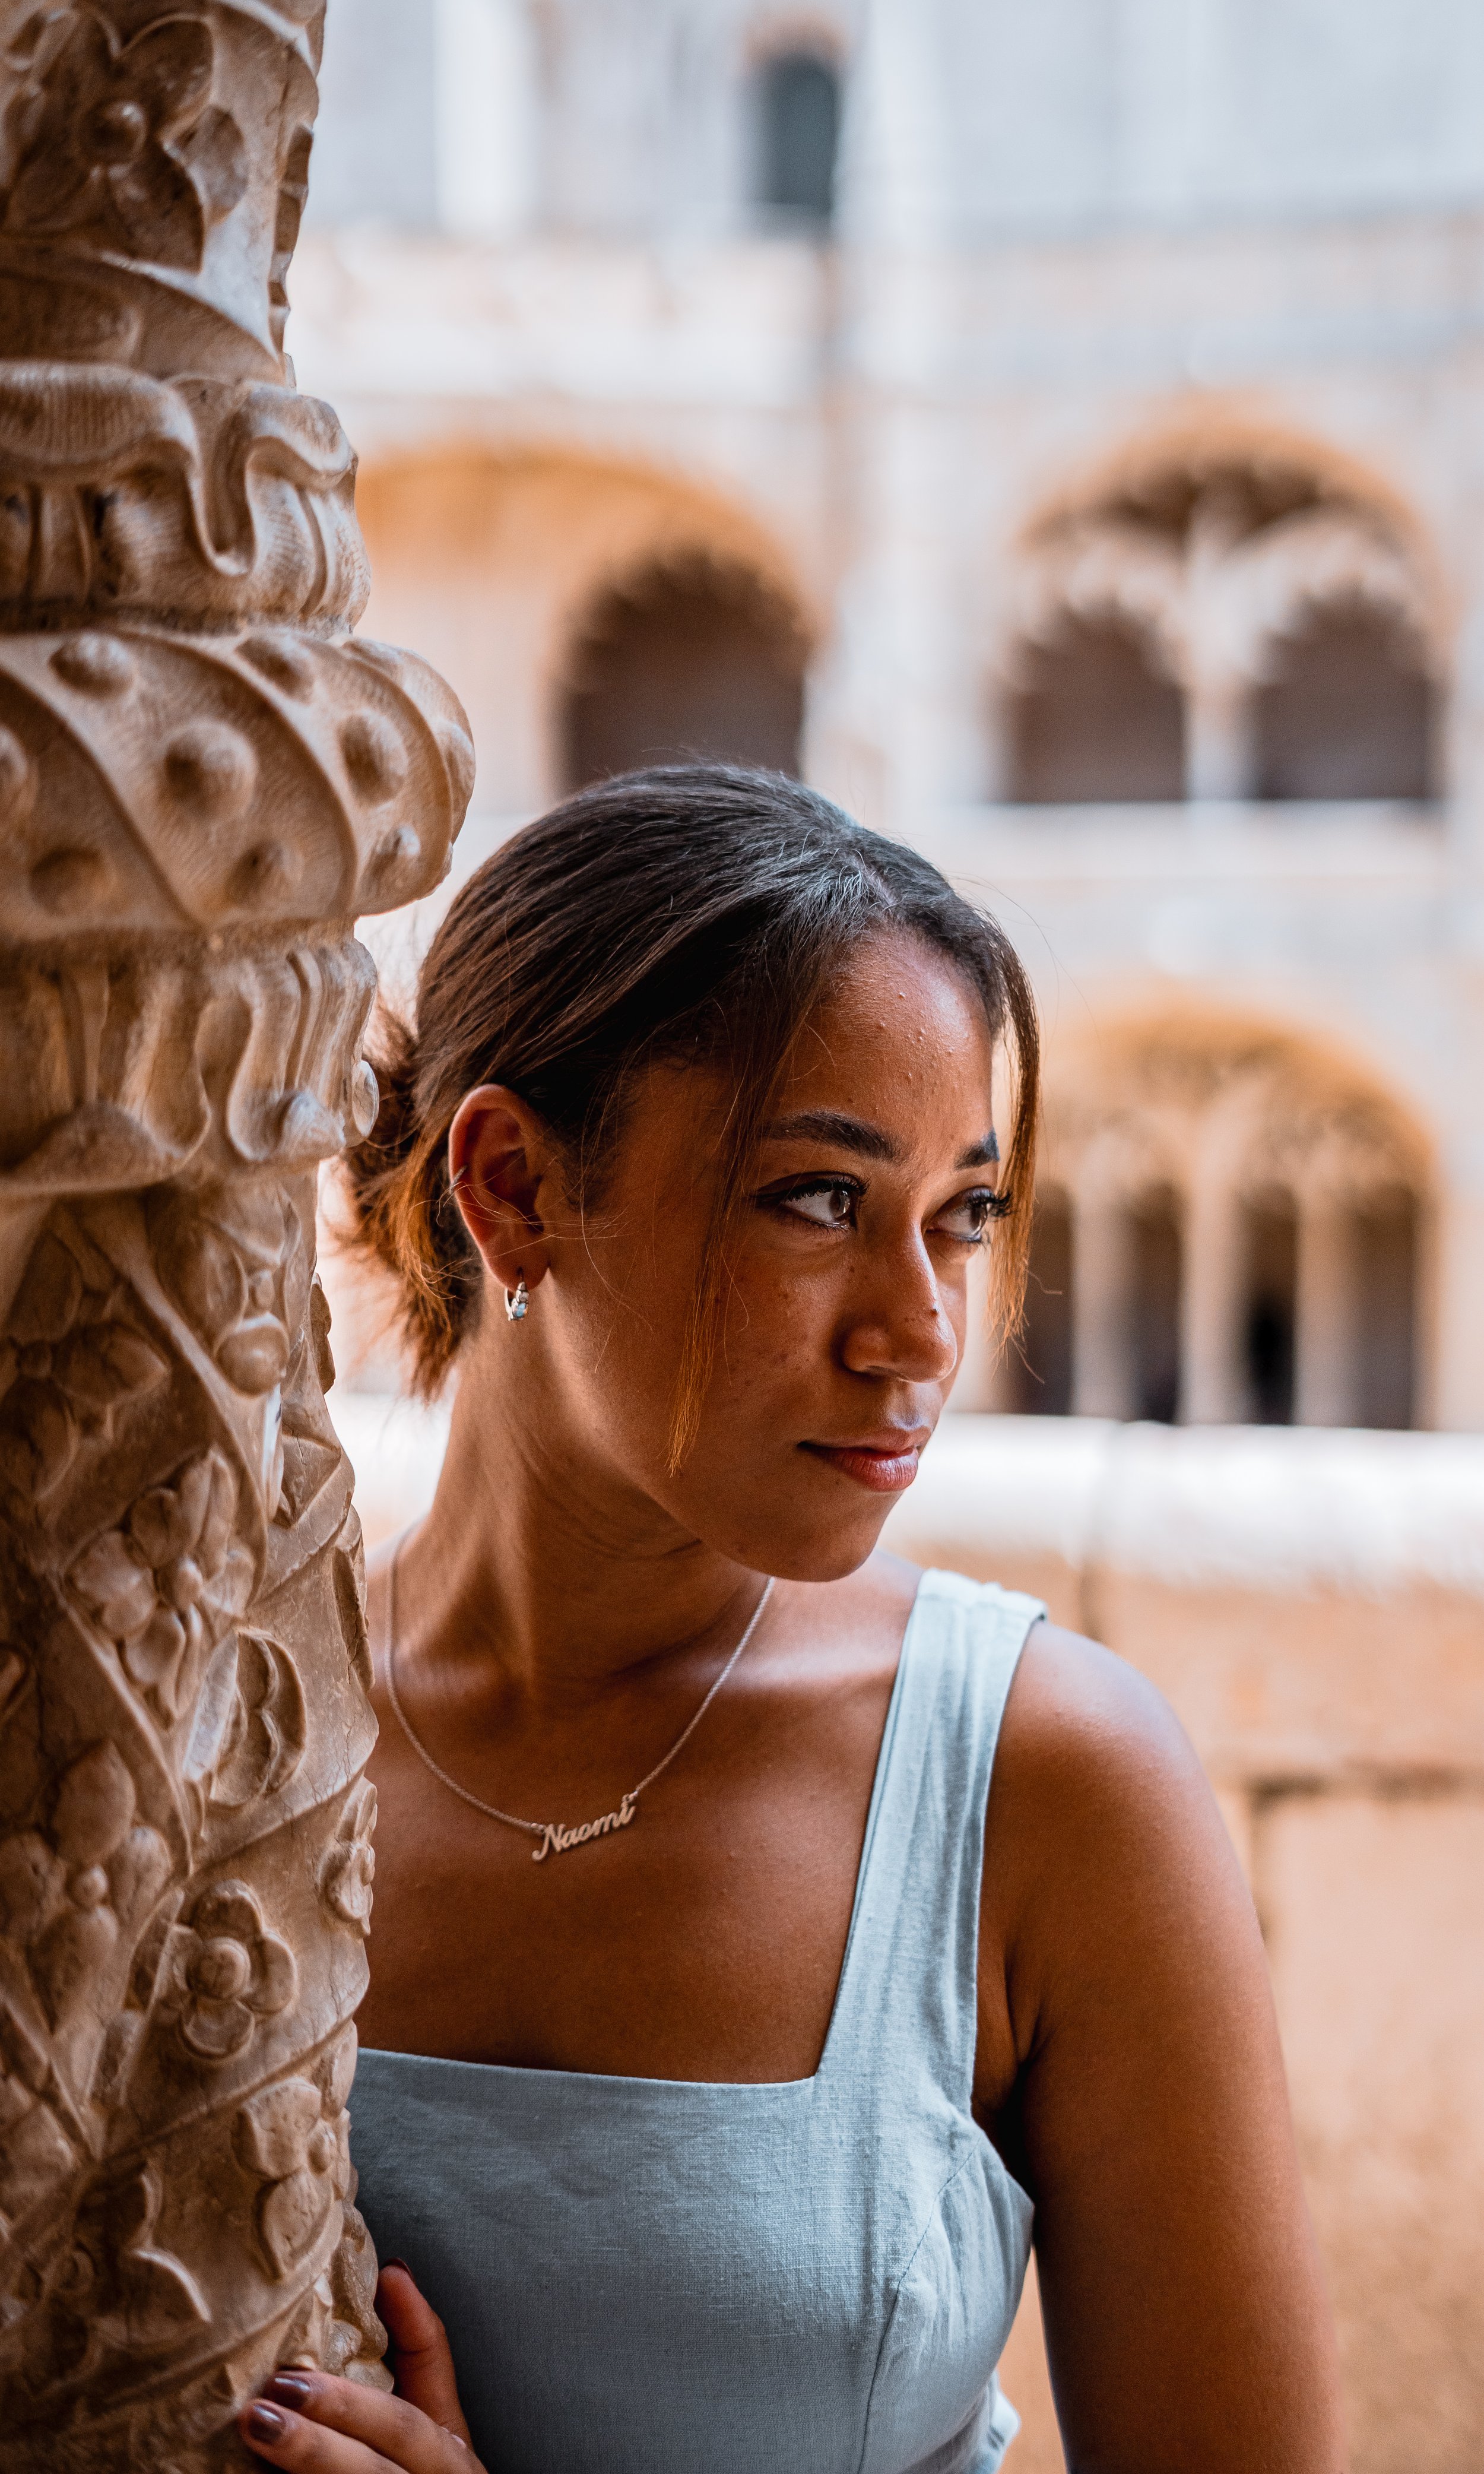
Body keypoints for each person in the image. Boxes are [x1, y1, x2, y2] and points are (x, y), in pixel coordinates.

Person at [239, 766, 1345, 2474]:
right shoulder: (216, 1745)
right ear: (514, 1187)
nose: (917, 1333)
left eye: (962, 1216)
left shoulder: (1046, 1789)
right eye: (819, 1202)